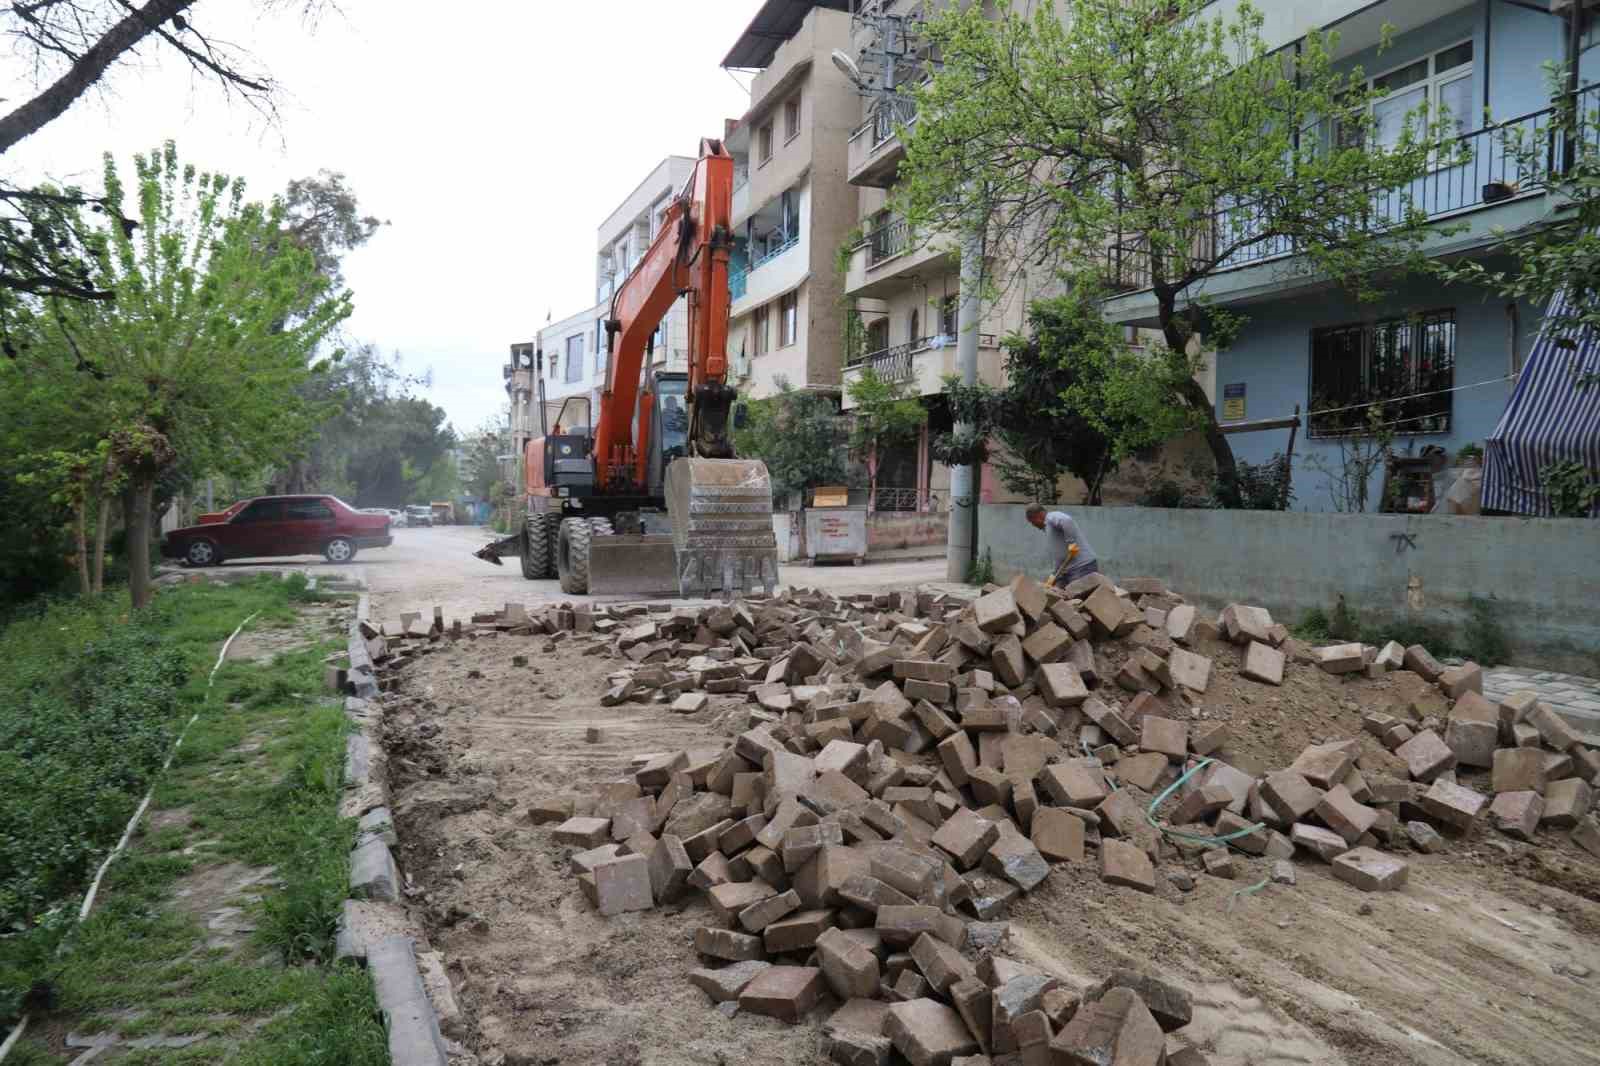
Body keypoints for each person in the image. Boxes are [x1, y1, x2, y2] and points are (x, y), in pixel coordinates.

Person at [1025, 503, 1099, 583]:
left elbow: (1066, 520)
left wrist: (1071, 542)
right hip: (1067, 570)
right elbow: (1059, 554)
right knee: (1055, 593)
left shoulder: (1051, 517)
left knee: (1077, 594)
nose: (1033, 525)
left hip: (1082, 567)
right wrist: (1054, 573)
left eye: (1032, 522)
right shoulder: (1048, 527)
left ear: (1037, 516)